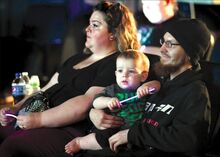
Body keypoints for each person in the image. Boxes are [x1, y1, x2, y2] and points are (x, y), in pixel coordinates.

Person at [0, 1, 142, 157]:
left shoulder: (115, 64)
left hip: (67, 129)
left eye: (95, 25)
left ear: (113, 33)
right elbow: (44, 89)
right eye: (89, 24)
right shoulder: (76, 58)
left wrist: (38, 119)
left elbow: (85, 103)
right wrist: (16, 108)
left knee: (12, 146)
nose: (86, 29)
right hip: (36, 115)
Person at [82, 19, 212, 157]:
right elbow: (119, 98)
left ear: (190, 53)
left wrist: (134, 134)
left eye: (170, 44)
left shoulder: (195, 92)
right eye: (163, 42)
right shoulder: (154, 80)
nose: (161, 49)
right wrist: (94, 113)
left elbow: (190, 141)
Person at [64, 50, 160, 156]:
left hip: (134, 131)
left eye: (131, 71)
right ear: (115, 74)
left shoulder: (144, 90)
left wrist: (147, 86)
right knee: (102, 137)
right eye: (120, 71)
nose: (124, 75)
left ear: (143, 76)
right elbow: (96, 102)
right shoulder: (112, 90)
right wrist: (108, 101)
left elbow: (157, 85)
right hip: (114, 127)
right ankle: (80, 143)